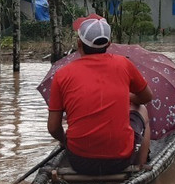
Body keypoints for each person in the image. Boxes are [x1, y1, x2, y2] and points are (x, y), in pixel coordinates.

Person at [47, 14, 153, 175]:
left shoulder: (62, 74)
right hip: (120, 161)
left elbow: (54, 128)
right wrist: (128, 97)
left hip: (79, 161)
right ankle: (140, 166)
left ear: (79, 43)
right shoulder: (123, 64)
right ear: (108, 44)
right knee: (142, 109)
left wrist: (64, 141)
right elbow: (147, 97)